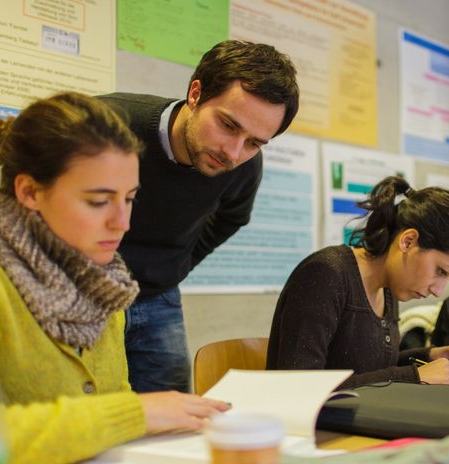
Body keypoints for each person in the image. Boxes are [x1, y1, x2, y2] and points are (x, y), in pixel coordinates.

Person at [0, 92, 228, 464]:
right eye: (97, 202)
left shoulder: (104, 282)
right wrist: (138, 413)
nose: (122, 223)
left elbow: (110, 404)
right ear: (29, 192)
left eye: (129, 199)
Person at [98, 40, 300, 393]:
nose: (234, 152)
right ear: (195, 93)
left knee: (173, 416)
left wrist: (177, 264)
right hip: (84, 293)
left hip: (158, 298)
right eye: (227, 125)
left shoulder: (243, 166)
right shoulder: (108, 124)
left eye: (255, 142)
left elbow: (232, 218)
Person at [267, 176, 449, 389]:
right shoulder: (326, 273)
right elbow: (301, 386)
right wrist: (413, 376)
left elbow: (368, 367)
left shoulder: (389, 289)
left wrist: (425, 357)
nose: (439, 291)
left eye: (448, 277)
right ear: (408, 241)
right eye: (441, 271)